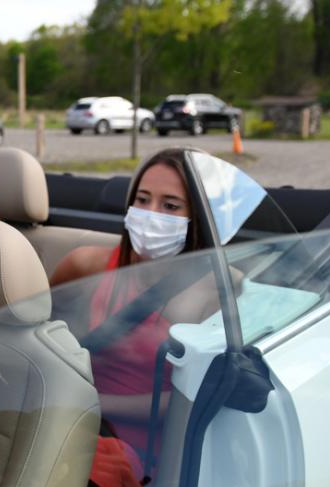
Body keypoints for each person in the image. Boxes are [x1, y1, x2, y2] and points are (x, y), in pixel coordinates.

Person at [49, 147, 236, 464]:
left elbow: (190, 399)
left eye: (170, 205)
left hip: (140, 454)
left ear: (200, 218)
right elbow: (35, 334)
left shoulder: (216, 292)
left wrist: (96, 403)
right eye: (142, 199)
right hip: (63, 426)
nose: (151, 214)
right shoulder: (84, 265)